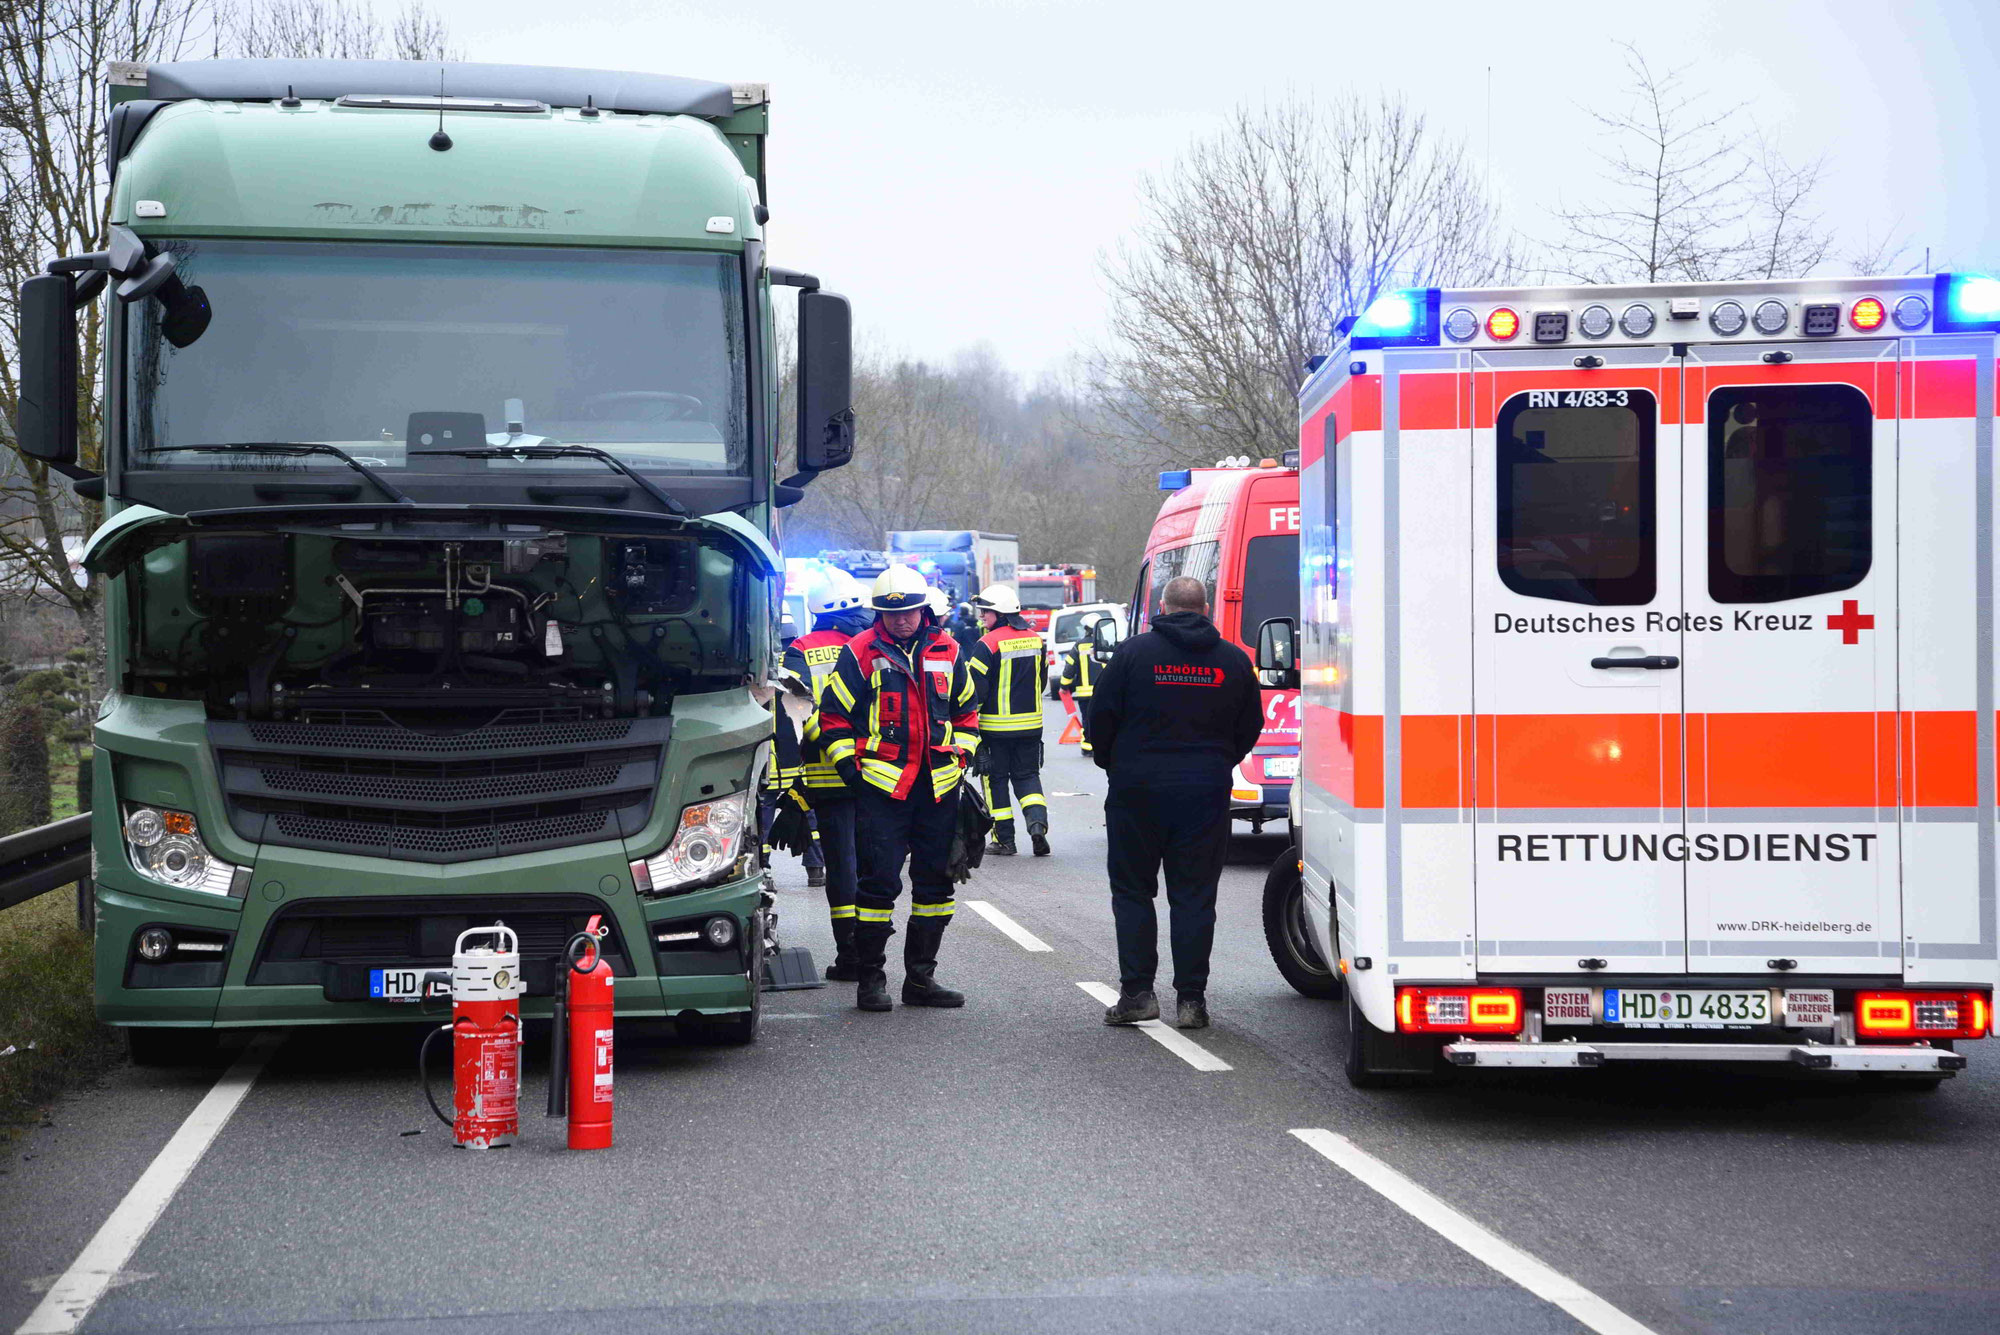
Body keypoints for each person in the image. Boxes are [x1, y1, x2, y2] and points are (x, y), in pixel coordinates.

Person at [1085, 576, 1263, 1031]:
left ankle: (1138, 994)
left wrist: (1116, 764)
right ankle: (1191, 1001)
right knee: (1195, 897)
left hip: (1136, 792)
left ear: (1161, 607)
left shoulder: (1132, 654)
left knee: (1132, 892)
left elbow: (1099, 718)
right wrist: (1218, 762)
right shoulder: (1232, 661)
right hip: (1203, 794)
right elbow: (1250, 726)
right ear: (1205, 609)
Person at [817, 565, 982, 1011]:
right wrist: (852, 771)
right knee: (878, 887)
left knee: (935, 888)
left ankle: (921, 980)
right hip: (882, 791)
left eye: (908, 612)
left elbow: (968, 713)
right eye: (891, 614)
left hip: (938, 789)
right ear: (879, 615)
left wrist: (962, 754)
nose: (901, 620)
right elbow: (831, 720)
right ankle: (870, 981)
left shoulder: (948, 649)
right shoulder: (860, 652)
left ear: (922, 609)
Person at [785, 569, 875, 980]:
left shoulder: (800, 650)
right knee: (876, 866)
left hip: (824, 778)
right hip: (876, 774)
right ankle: (873, 954)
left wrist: (789, 786)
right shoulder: (869, 647)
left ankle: (850, 957)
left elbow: (789, 720)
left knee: (842, 868)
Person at [966, 582, 1050, 857]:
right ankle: (1037, 825)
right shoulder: (1036, 639)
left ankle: (1005, 840)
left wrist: (971, 731)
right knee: (1028, 778)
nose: (981, 617)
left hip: (995, 729)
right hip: (1030, 727)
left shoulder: (986, 644)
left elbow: (975, 693)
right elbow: (1041, 682)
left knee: (995, 781)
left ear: (1000, 613)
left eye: (985, 612)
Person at [1056, 614, 1107, 756]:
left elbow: (1069, 668)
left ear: (1086, 629)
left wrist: (1064, 686)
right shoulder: (1105, 643)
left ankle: (1087, 747)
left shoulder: (1079, 646)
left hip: (1085, 694)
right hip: (1102, 692)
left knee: (1087, 720)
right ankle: (1102, 746)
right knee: (1103, 719)